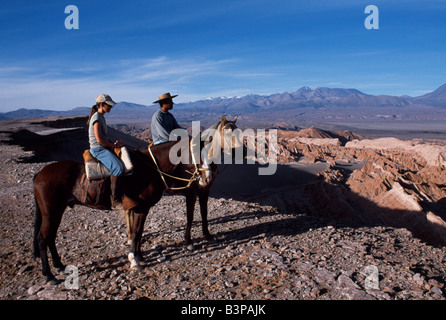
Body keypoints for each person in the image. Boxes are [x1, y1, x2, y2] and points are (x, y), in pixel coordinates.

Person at [87, 93, 125, 210]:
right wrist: (113, 146)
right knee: (118, 168)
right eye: (109, 105)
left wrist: (115, 144)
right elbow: (99, 140)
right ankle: (114, 200)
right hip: (98, 150)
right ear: (102, 105)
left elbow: (104, 137)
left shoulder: (101, 117)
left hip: (103, 147)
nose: (110, 107)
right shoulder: (97, 118)